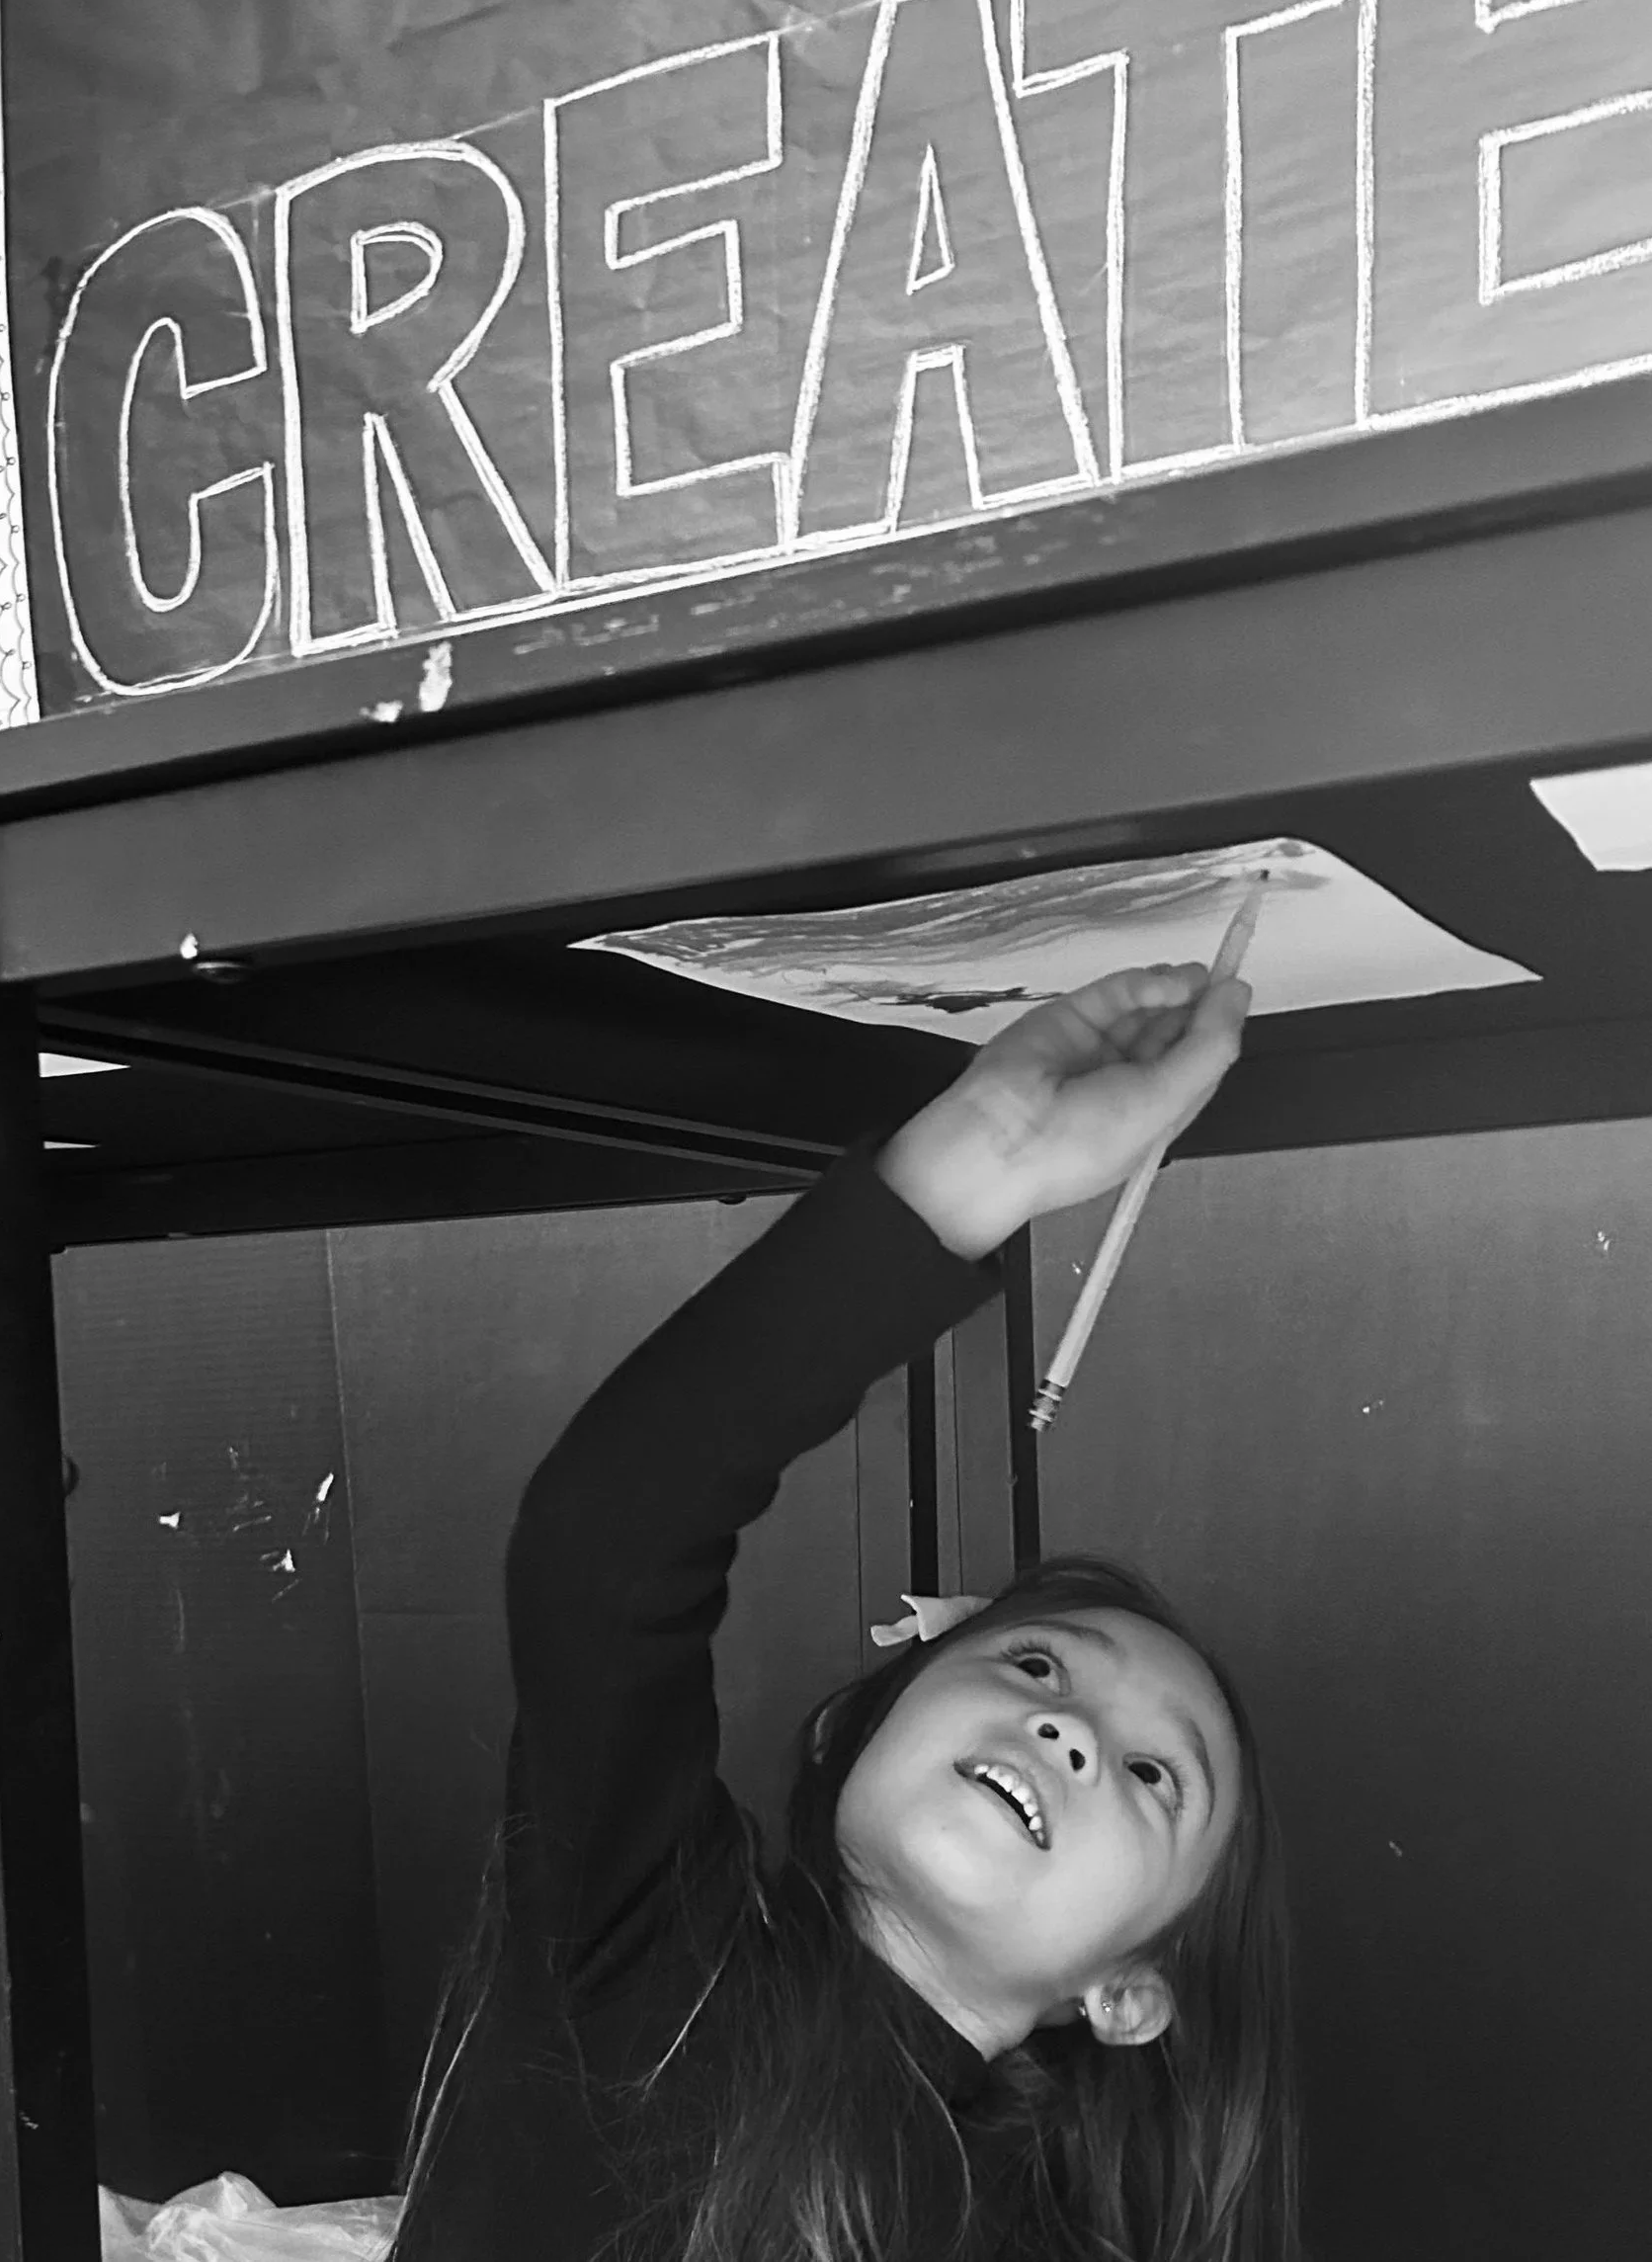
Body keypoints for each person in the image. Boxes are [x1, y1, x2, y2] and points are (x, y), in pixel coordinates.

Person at [388, 962, 1300, 2262]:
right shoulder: (665, 1973)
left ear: (1126, 1991)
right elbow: (608, 1541)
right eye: (1036, 1664)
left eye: (1155, 1772)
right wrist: (968, 1170)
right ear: (845, 1735)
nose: (1070, 1732)